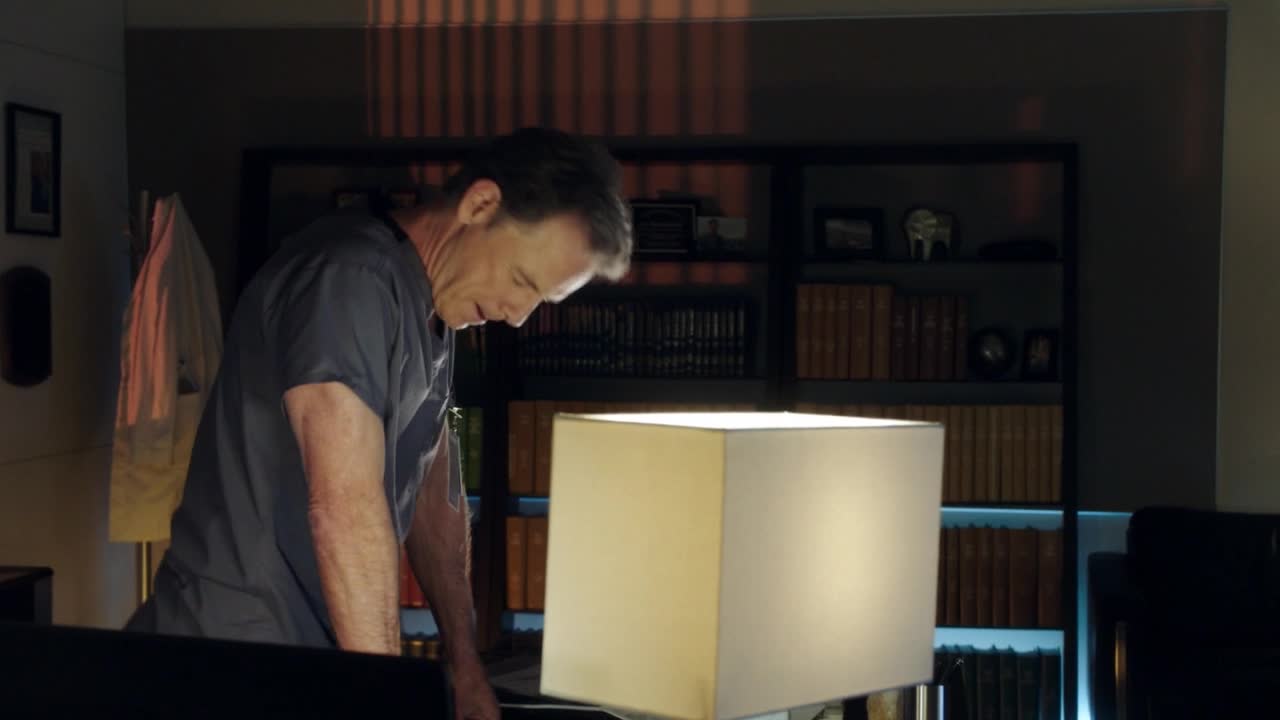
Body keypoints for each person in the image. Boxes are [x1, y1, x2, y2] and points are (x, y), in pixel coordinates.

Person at [124, 128, 633, 720]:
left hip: (312, 663)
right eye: (521, 280)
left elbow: (435, 500)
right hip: (228, 664)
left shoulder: (437, 311)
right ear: (480, 205)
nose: (518, 316)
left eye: (540, 300)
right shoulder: (349, 280)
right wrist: (389, 695)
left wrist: (464, 666)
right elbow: (344, 505)